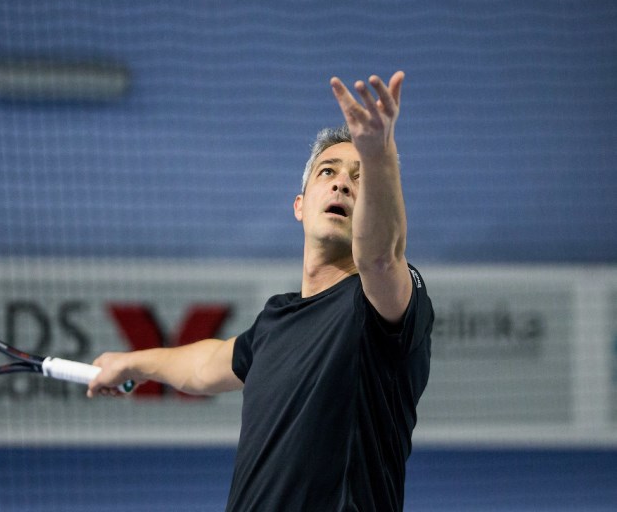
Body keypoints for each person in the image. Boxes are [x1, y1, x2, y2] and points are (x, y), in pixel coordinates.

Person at [88, 70, 434, 511]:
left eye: (359, 178)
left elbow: (381, 257)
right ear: (300, 205)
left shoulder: (382, 305)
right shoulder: (276, 320)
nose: (342, 183)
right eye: (328, 171)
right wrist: (132, 362)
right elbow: (208, 364)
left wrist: (379, 154)